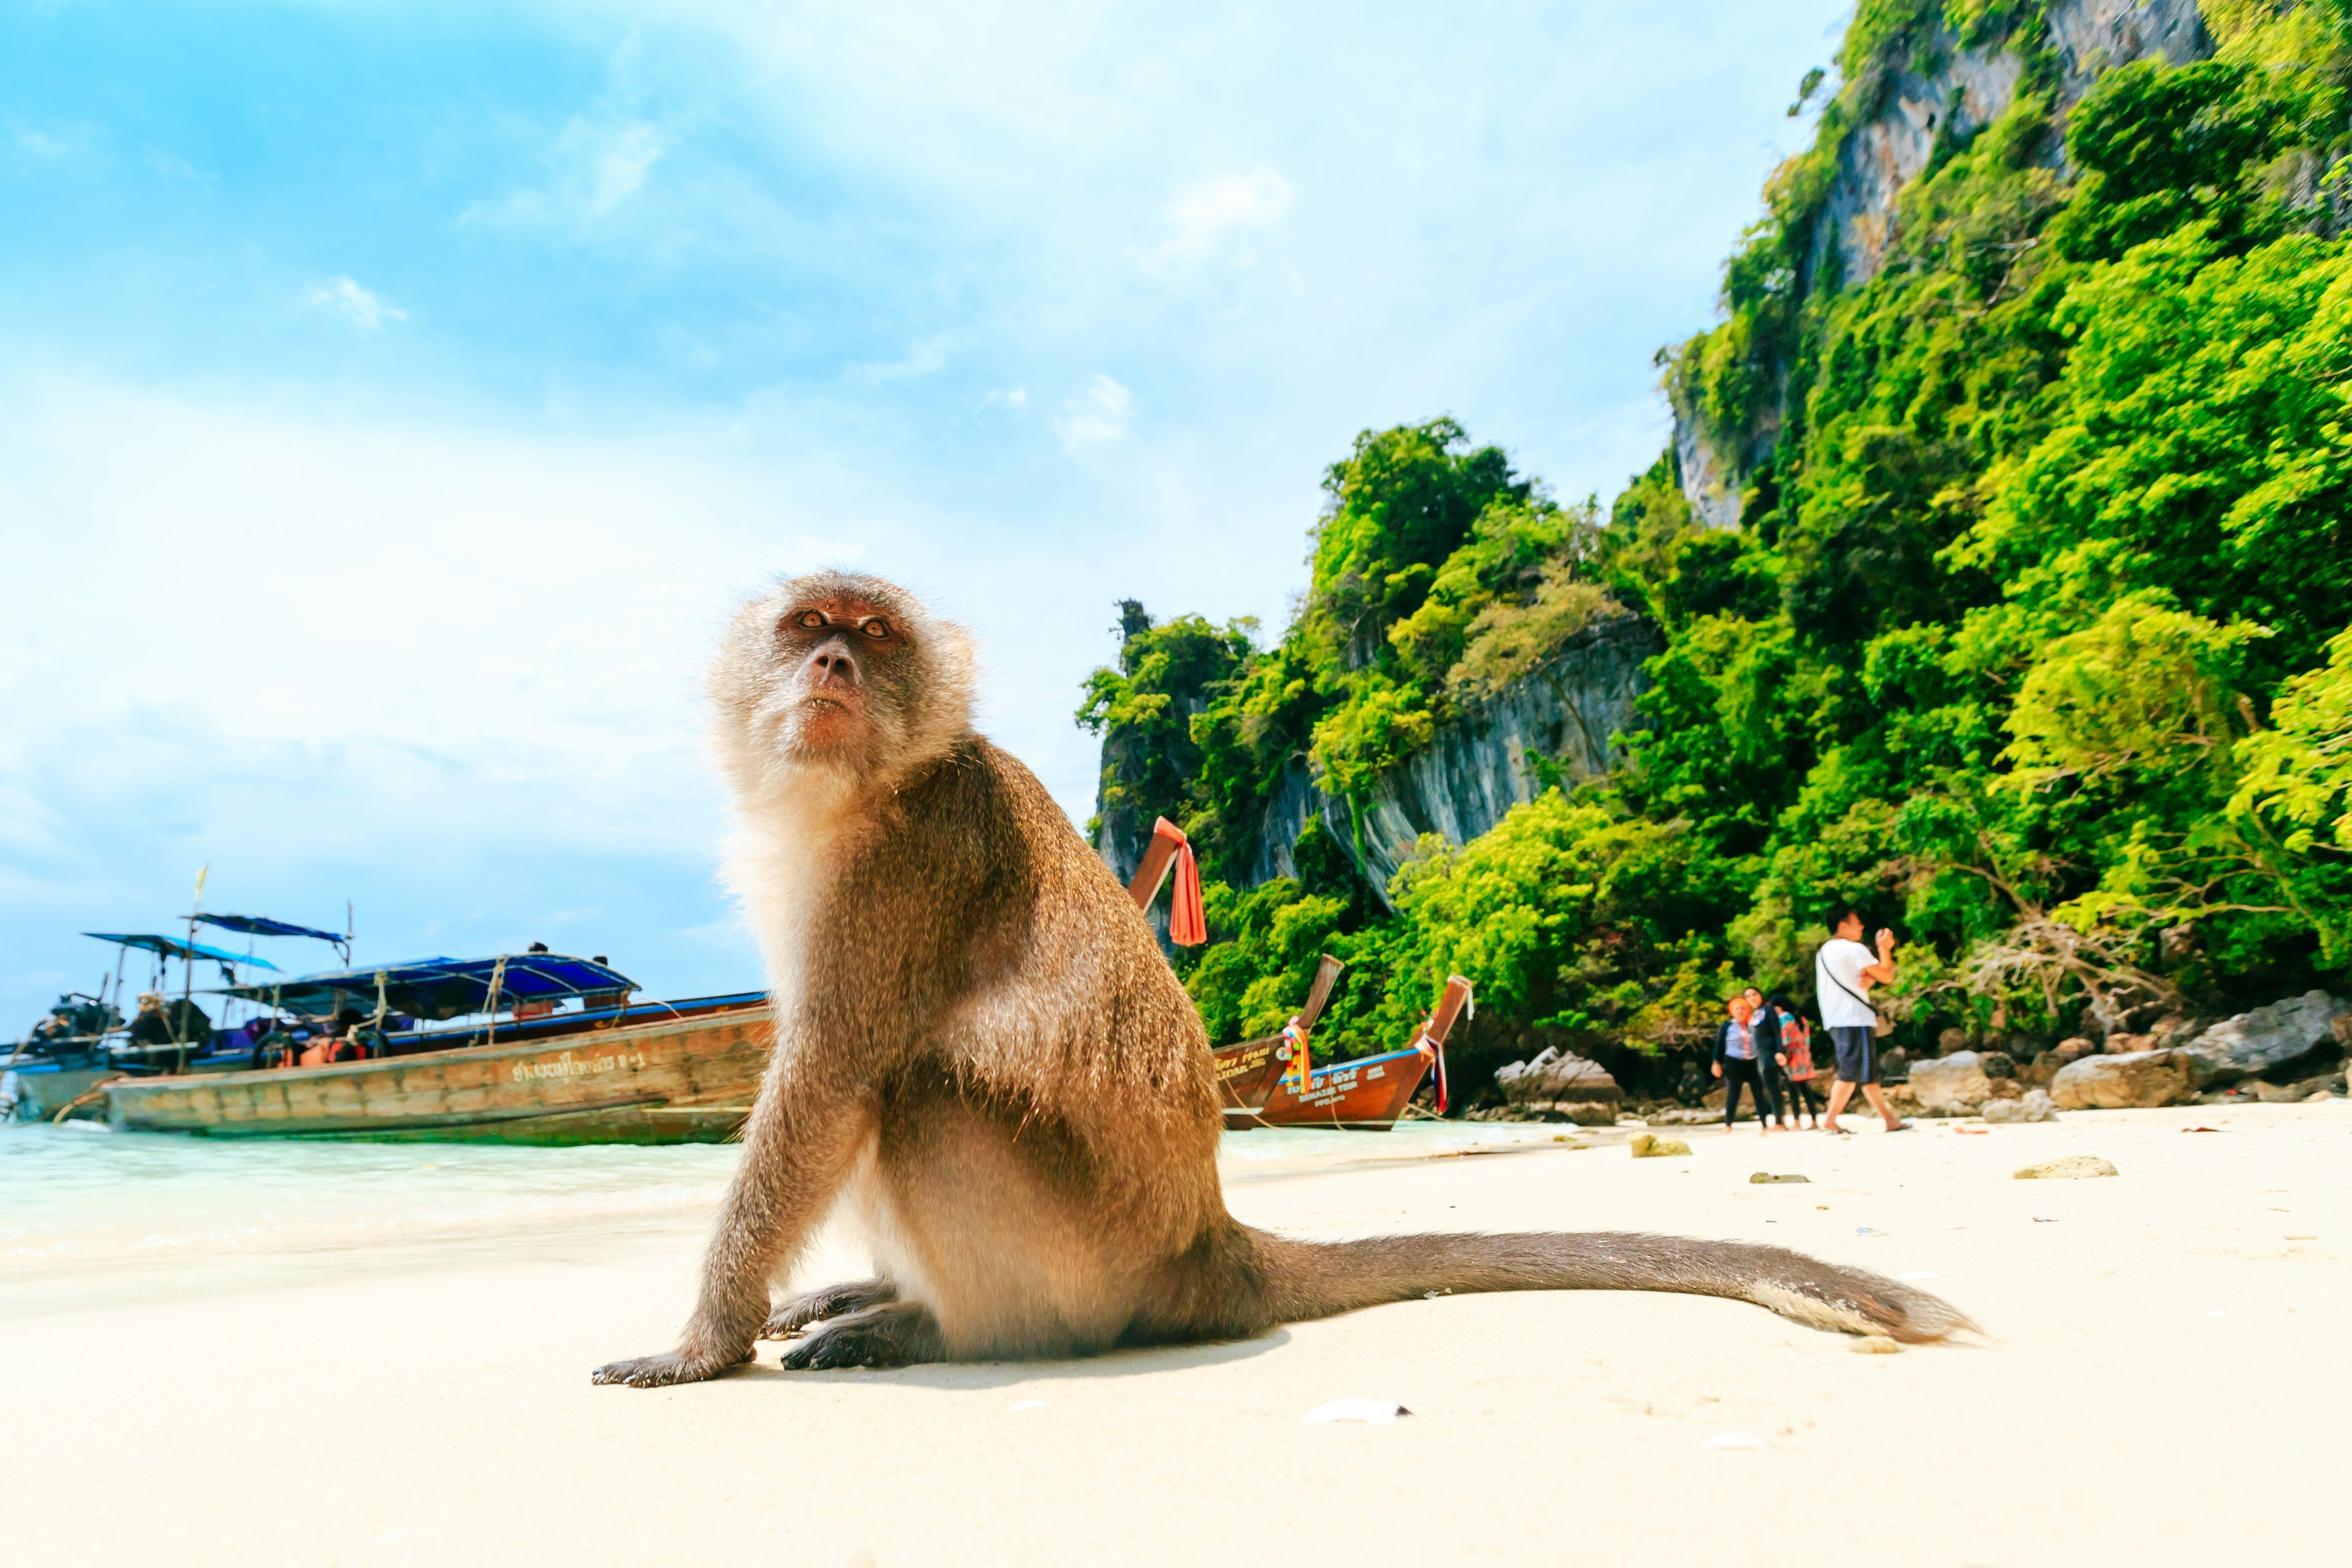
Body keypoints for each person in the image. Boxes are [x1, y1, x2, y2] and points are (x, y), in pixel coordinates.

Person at [1815, 906, 1907, 1134]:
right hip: (1853, 1017)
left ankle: (1889, 1120)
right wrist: (1884, 949)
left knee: (1868, 1074)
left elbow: (1858, 979)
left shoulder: (1825, 951)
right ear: (1843, 925)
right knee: (1850, 1071)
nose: (1862, 927)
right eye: (1857, 923)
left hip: (1837, 1017)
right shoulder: (1854, 949)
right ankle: (1830, 1119)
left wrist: (1870, 977)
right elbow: (1886, 975)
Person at [1710, 993, 1777, 1135]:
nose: (1740, 1011)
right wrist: (1716, 1062)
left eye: (1743, 1008)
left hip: (1753, 1062)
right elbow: (1720, 1045)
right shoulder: (1727, 1026)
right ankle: (1728, 1125)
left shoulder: (1754, 1025)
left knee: (1759, 1094)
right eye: (1737, 1009)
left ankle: (1765, 1125)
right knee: (1733, 1094)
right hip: (1733, 1063)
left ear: (1748, 1010)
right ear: (1732, 1011)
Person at [1771, 992, 1822, 1129]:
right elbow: (1807, 1039)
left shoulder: (1784, 1018)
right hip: (1804, 1056)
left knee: (1793, 1090)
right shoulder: (1802, 1019)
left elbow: (1786, 1040)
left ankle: (1797, 1122)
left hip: (1792, 1058)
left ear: (1779, 1007)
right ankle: (1815, 1121)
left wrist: (1781, 1054)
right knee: (1806, 1090)